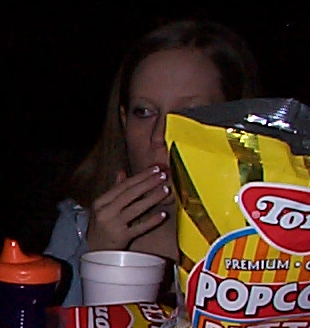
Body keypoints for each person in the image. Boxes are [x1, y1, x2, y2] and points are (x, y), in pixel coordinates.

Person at [45, 19, 260, 305]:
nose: (160, 135)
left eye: (188, 115)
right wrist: (94, 256)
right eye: (144, 112)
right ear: (124, 122)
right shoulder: (79, 224)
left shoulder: (273, 233)